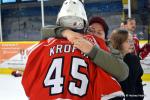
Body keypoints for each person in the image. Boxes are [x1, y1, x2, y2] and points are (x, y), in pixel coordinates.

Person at [22, 0, 124, 99]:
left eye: (99, 31)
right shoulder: (95, 42)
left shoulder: (43, 45)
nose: (95, 33)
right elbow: (113, 86)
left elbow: (27, 83)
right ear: (85, 25)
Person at [41, 16, 129, 82]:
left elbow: (122, 72)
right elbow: (44, 31)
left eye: (99, 32)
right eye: (91, 31)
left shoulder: (110, 49)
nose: (95, 35)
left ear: (105, 37)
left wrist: (92, 51)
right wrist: (66, 32)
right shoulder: (76, 41)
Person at [110, 29, 144, 100]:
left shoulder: (134, 59)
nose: (132, 44)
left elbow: (138, 81)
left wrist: (139, 97)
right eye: (128, 41)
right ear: (119, 42)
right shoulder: (110, 60)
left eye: (132, 41)